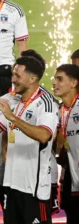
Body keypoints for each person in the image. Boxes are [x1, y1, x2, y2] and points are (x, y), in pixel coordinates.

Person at [0, 52, 58, 224]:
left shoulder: (46, 103)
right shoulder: (12, 100)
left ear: (33, 78)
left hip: (34, 189)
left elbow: (44, 135)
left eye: (17, 75)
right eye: (13, 74)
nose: (12, 79)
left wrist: (12, 118)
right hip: (11, 184)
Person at [52, 64, 79, 223]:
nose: (54, 83)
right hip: (71, 177)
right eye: (55, 78)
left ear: (74, 83)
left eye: (60, 79)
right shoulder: (59, 110)